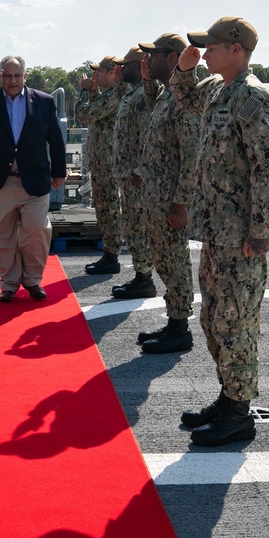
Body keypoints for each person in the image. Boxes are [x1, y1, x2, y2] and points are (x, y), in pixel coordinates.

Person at [170, 17, 269, 444]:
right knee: (213, 321)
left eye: (212, 47)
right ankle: (229, 395)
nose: (205, 54)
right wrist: (184, 70)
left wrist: (259, 232)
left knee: (234, 324)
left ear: (236, 49)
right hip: (217, 235)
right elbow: (184, 99)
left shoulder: (251, 98)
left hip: (240, 238)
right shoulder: (220, 91)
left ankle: (239, 413)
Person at [0, 55, 67, 302]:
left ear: (25, 76)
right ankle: (9, 283)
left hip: (33, 181)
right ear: (0, 76)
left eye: (18, 75)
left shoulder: (43, 101)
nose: (13, 80)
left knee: (37, 232)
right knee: (2, 237)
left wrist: (59, 172)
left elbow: (56, 140)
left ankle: (32, 280)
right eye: (7, 75)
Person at [133, 34, 199, 354]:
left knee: (175, 260)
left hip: (170, 199)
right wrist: (147, 82)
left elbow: (191, 155)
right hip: (157, 196)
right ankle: (174, 319)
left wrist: (181, 202)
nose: (149, 60)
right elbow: (153, 109)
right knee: (164, 260)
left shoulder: (185, 99)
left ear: (173, 59)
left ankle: (180, 328)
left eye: (155, 54)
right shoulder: (168, 94)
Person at [109, 45, 159, 300]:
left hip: (135, 177)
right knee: (131, 227)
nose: (121, 70)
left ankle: (144, 278)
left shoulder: (144, 97)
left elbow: (147, 135)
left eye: (125, 66)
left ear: (138, 67)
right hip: (126, 174)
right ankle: (141, 275)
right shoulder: (133, 93)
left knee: (138, 228)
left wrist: (139, 170)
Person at [75, 55, 124, 275]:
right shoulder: (109, 95)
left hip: (108, 164)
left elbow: (85, 114)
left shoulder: (115, 95)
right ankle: (109, 252)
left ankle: (112, 255)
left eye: (100, 72)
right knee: (104, 209)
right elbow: (96, 113)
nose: (96, 76)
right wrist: (93, 90)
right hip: (102, 163)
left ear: (113, 73)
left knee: (109, 209)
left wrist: (85, 90)